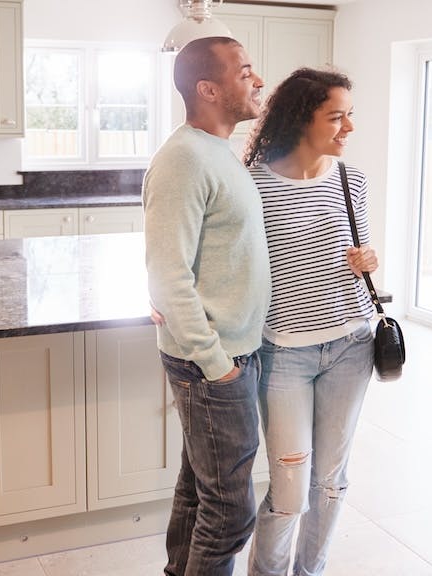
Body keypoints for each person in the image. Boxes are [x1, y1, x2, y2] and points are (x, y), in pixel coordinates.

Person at [243, 68, 379, 576]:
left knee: (330, 483)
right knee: (289, 491)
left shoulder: (350, 180)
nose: (349, 128)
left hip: (351, 345)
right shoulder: (252, 184)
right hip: (283, 354)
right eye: (337, 117)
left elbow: (359, 250)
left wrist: (367, 260)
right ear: (303, 118)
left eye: (349, 115)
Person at [142, 36, 270, 576]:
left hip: (228, 353)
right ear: (208, 89)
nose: (258, 80)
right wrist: (217, 364)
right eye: (245, 72)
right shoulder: (184, 159)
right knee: (230, 513)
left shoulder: (218, 151)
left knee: (199, 491)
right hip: (213, 361)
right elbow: (167, 275)